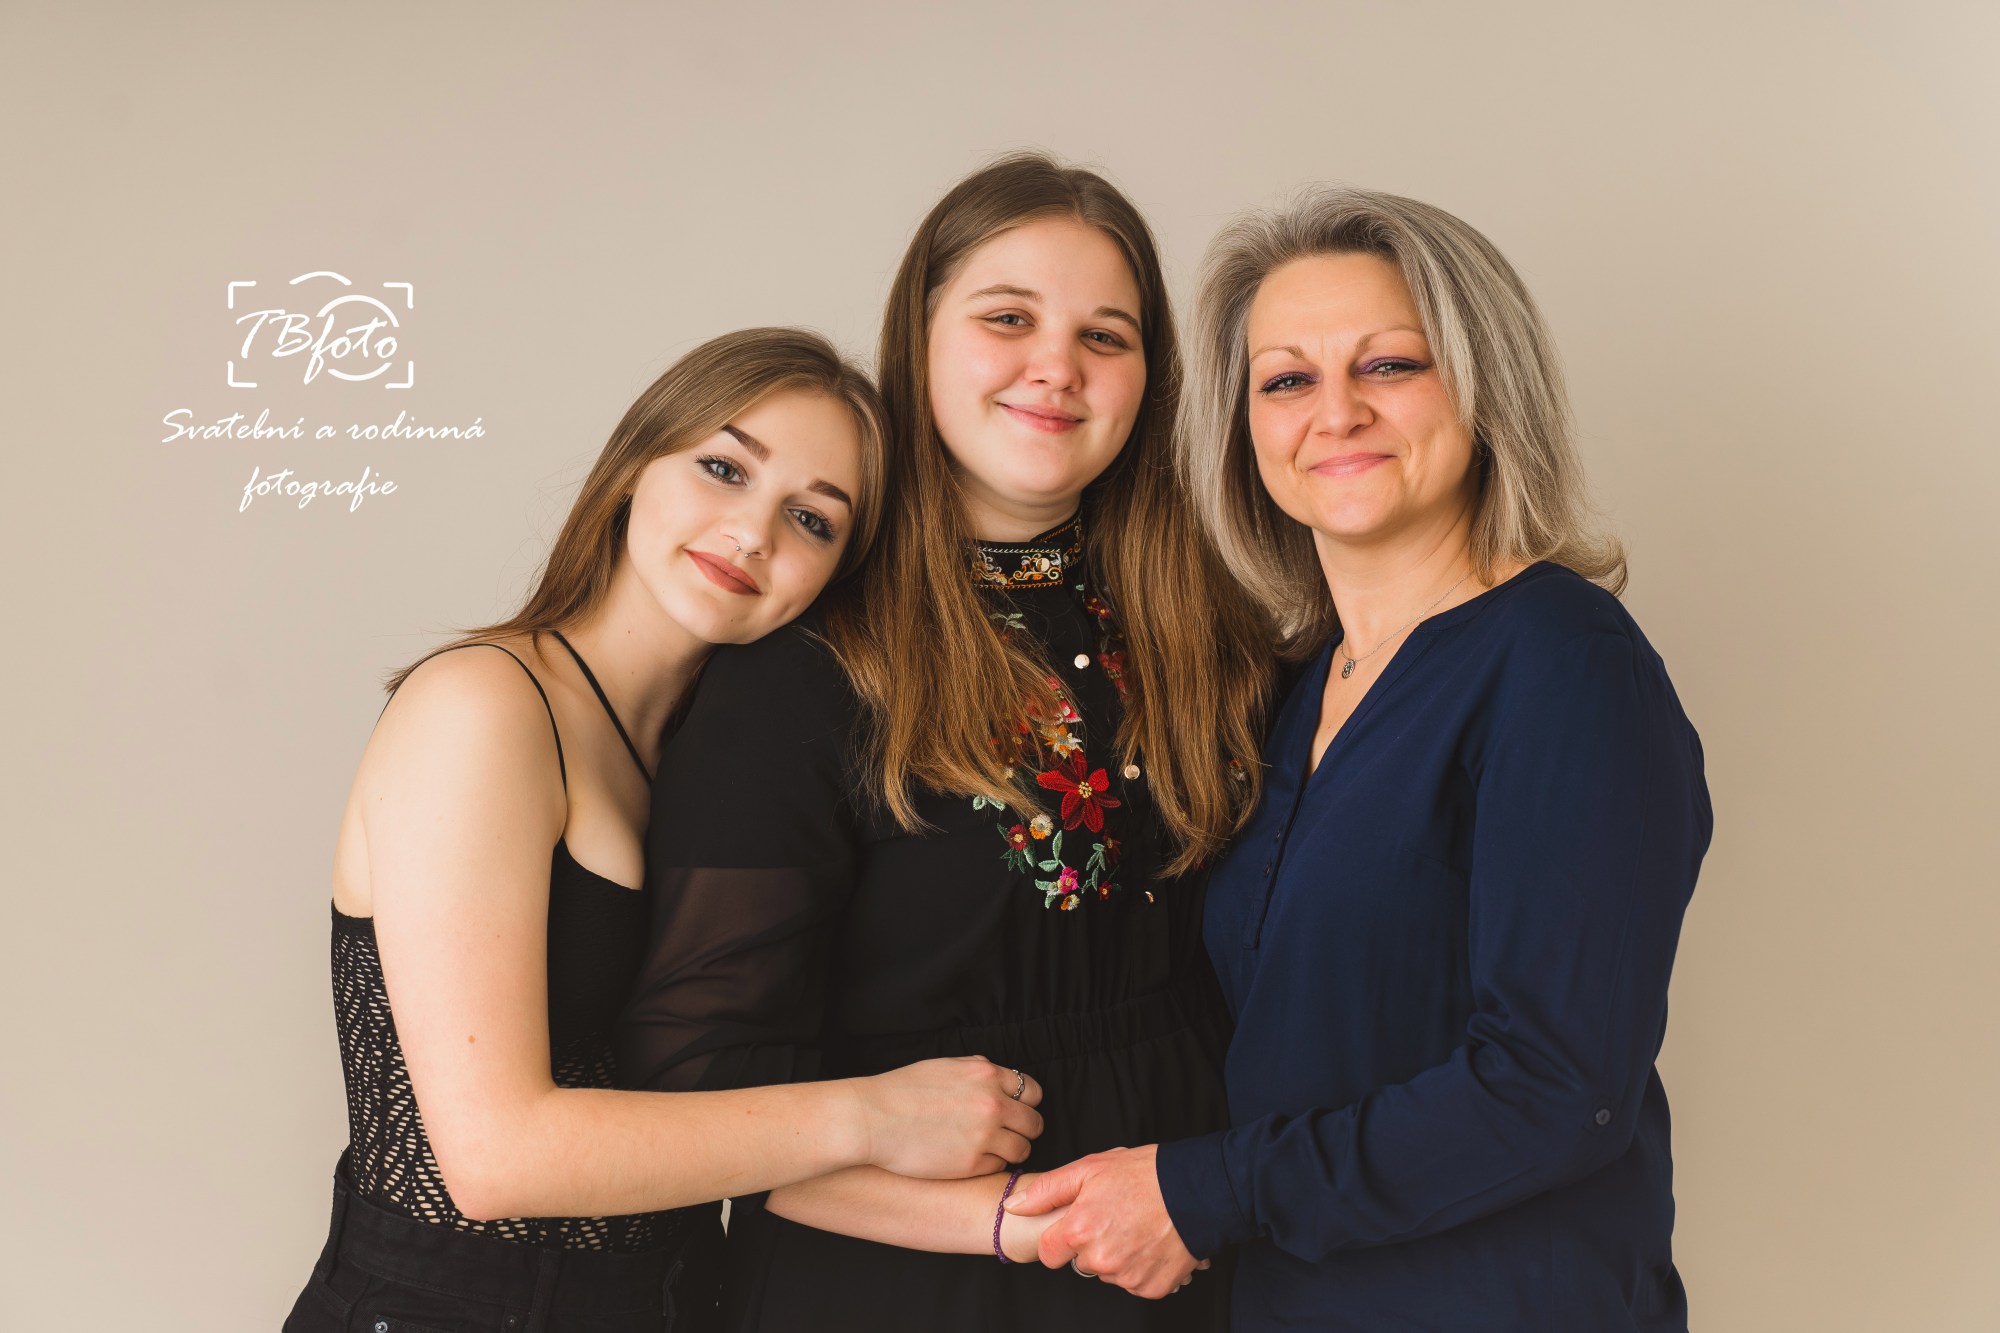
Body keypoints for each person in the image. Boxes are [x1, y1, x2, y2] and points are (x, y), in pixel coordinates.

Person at [1007, 188, 1713, 1332]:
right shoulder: (1292, 686)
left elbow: (1555, 1087)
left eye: (1388, 365)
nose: (1334, 413)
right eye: (1285, 381)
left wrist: (1202, 1191)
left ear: (1483, 386)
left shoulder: (1562, 664)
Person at [617, 154, 1274, 1330]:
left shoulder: (1212, 634)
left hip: (1183, 1253)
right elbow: (687, 1081)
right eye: (1007, 318)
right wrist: (1021, 1219)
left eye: (1105, 336)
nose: (1056, 367)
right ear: (916, 339)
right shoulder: (806, 666)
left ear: (1151, 380)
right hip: (914, 1283)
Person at [286, 328, 1046, 1333]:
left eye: (813, 519)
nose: (753, 533)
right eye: (724, 468)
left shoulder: (721, 767)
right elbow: (495, 1156)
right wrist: (871, 1113)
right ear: (635, 462)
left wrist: (1030, 1220)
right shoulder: (483, 708)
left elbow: (715, 1101)